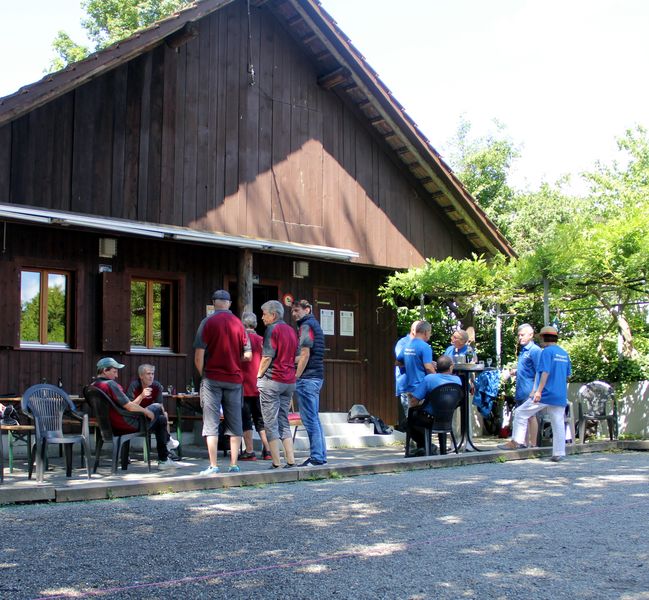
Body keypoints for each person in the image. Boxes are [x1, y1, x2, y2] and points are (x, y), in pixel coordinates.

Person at [194, 290, 251, 475]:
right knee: (235, 423)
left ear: (213, 303)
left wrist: (203, 374)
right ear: (229, 303)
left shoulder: (207, 322)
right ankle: (234, 464)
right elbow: (248, 355)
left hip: (212, 378)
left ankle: (213, 465)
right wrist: (234, 361)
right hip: (234, 380)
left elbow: (198, 356)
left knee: (211, 422)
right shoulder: (239, 324)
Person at [499, 326, 572, 462]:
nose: (540, 341)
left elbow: (545, 372)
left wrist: (538, 391)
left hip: (546, 393)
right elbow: (567, 375)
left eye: (541, 338)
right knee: (558, 422)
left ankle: (517, 441)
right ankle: (559, 453)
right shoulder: (563, 353)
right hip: (560, 394)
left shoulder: (547, 352)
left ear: (544, 337)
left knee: (521, 412)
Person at [92, 357, 176, 469]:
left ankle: (165, 456)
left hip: (109, 425)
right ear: (104, 371)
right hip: (127, 424)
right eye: (114, 371)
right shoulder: (110, 385)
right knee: (157, 408)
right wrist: (146, 411)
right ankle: (165, 453)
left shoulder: (93, 386)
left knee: (161, 419)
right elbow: (129, 406)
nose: (116, 375)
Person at [257, 300, 298, 469]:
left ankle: (276, 462)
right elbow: (296, 356)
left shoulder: (272, 330)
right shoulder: (291, 330)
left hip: (273, 380)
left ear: (273, 315)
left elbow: (267, 356)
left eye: (264, 314)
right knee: (283, 420)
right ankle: (291, 460)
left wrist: (258, 375)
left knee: (270, 422)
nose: (262, 317)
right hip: (289, 381)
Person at [292, 299, 327, 467]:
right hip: (317, 376)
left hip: (308, 377)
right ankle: (320, 455)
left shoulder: (306, 326)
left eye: (297, 310)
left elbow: (305, 354)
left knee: (310, 419)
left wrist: (296, 376)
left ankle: (316, 457)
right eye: (292, 311)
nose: (294, 314)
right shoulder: (315, 324)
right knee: (315, 419)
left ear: (307, 309)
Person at [407, 355, 461, 454]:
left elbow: (414, 401)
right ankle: (439, 450)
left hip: (428, 418)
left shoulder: (429, 379)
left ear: (436, 367)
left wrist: (411, 397)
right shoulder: (457, 380)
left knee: (406, 422)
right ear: (451, 367)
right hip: (447, 417)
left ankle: (428, 446)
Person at [126, 363, 180, 455]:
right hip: (135, 417)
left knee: (164, 415)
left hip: (150, 416)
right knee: (160, 413)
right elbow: (129, 407)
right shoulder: (134, 386)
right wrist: (141, 396)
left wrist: (160, 413)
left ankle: (166, 446)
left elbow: (160, 405)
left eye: (152, 374)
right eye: (148, 374)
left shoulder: (156, 386)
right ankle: (168, 441)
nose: (151, 376)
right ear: (141, 376)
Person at [239, 311, 272, 461]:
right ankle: (268, 450)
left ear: (242, 323)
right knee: (260, 419)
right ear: (255, 324)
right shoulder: (262, 340)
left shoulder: (241, 339)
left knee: (245, 418)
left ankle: (250, 451)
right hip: (259, 385)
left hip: (243, 384)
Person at [507, 324, 542, 446]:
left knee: (531, 416)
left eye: (522, 335)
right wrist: (515, 372)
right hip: (521, 388)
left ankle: (533, 445)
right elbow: (528, 368)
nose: (520, 338)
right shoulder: (523, 350)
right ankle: (524, 444)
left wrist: (536, 389)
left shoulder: (535, 350)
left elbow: (540, 370)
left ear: (531, 335)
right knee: (523, 417)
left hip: (530, 388)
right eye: (519, 335)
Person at [396, 321, 436, 396]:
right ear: (425, 332)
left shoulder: (407, 345)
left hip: (408, 388)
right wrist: (437, 379)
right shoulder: (425, 346)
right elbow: (428, 368)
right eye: (430, 332)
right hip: (420, 389)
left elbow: (398, 363)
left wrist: (412, 362)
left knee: (409, 408)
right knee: (420, 408)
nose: (430, 335)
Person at [394, 321, 420, 428]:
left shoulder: (420, 343)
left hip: (418, 385)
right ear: (414, 331)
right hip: (406, 384)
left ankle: (419, 442)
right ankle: (414, 442)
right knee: (410, 416)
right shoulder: (403, 343)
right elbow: (401, 361)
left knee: (417, 416)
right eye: (423, 332)